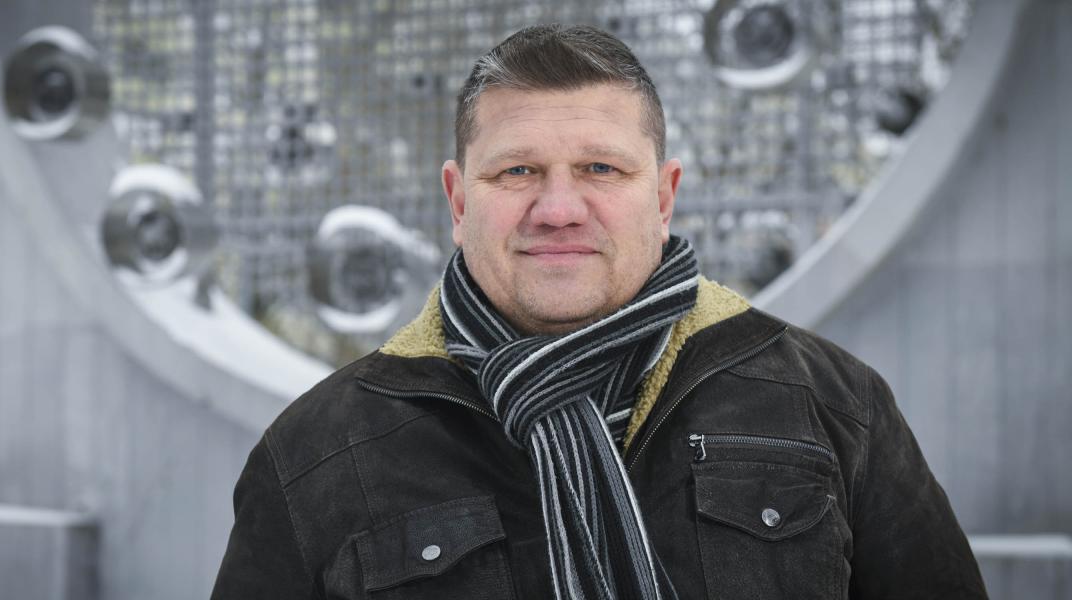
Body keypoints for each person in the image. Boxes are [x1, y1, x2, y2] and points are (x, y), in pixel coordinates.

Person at [211, 24, 987, 599]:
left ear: (663, 196)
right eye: (518, 171)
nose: (558, 208)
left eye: (600, 168)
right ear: (458, 201)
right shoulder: (318, 454)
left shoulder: (830, 405)